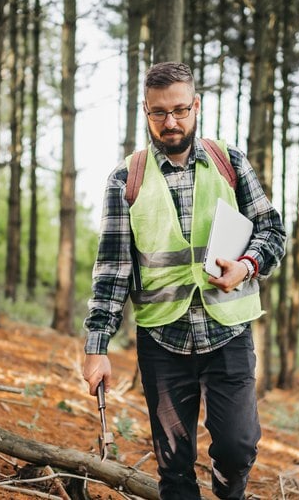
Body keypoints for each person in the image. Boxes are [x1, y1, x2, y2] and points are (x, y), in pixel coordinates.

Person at [82, 61, 287, 499]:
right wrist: (96, 347)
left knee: (237, 447)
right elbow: (113, 268)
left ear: (196, 106)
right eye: (159, 112)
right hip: (163, 341)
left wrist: (246, 265)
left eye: (179, 109)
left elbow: (272, 230)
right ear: (145, 111)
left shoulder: (228, 161)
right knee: (174, 470)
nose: (170, 121)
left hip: (228, 333)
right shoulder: (126, 178)